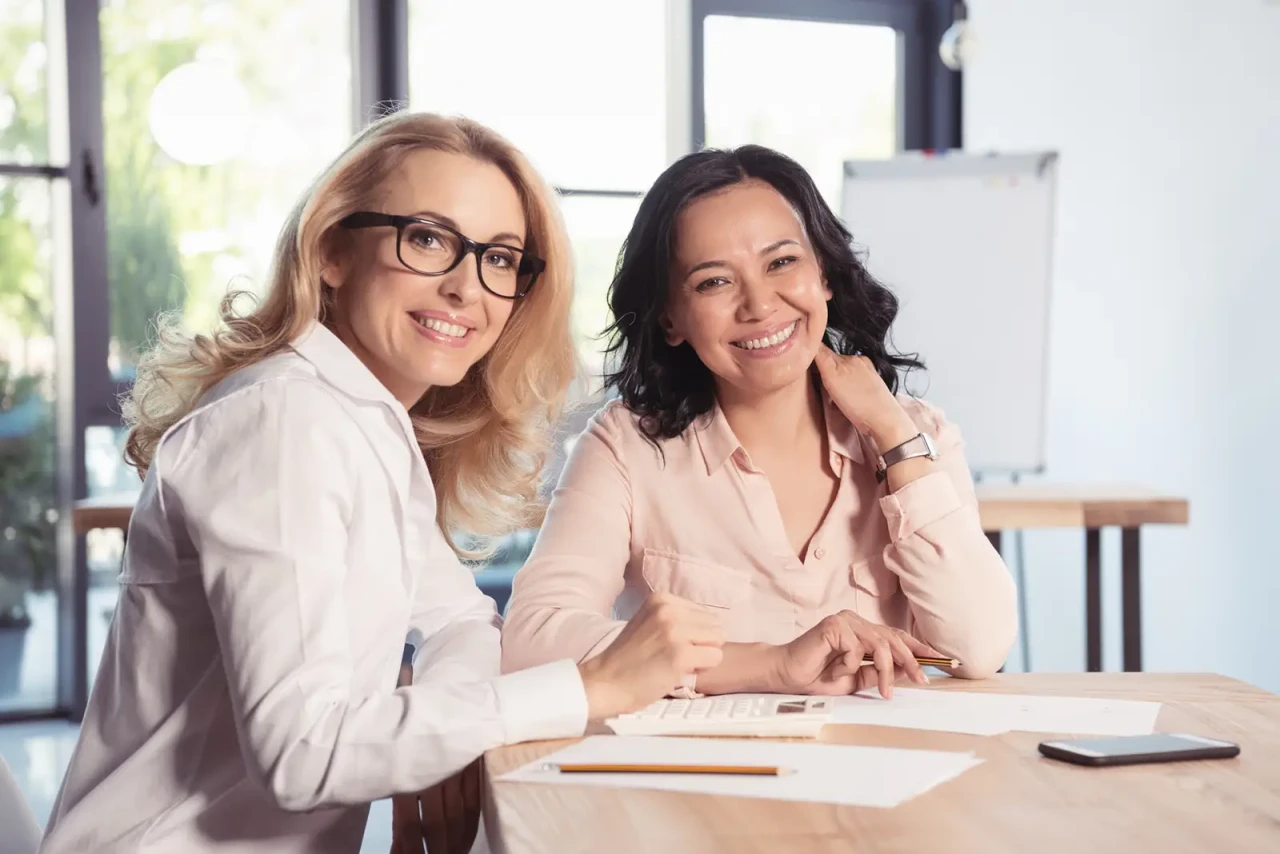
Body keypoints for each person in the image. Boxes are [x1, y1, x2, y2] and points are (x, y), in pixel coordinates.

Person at [38, 113, 723, 854]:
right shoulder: (288, 421)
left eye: (500, 258)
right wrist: (586, 691)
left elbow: (459, 623)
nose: (468, 288)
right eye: (427, 239)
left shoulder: (363, 421)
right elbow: (303, 754)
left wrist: (441, 732)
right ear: (331, 248)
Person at [502, 145, 1017, 699]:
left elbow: (979, 649)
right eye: (713, 282)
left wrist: (892, 437)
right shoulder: (626, 446)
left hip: (886, 772)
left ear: (824, 275)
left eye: (781, 262)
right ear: (672, 319)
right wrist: (767, 664)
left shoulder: (917, 435)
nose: (759, 305)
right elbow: (531, 640)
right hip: (699, 778)